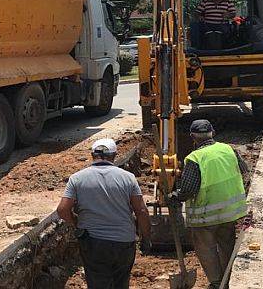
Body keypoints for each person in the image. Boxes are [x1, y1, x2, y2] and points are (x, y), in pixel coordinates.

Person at [57, 138, 151, 289]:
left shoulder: (77, 178)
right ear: (114, 155)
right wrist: (145, 237)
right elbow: (141, 210)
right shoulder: (128, 178)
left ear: (92, 155)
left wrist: (76, 223)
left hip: (93, 242)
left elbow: (62, 210)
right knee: (121, 283)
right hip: (124, 242)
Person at [168, 120, 249, 289]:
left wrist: (174, 196)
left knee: (206, 249)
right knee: (227, 244)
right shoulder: (228, 149)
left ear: (192, 137)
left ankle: (217, 282)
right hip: (230, 212)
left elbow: (188, 190)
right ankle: (228, 279)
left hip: (205, 217)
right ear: (213, 132)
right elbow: (244, 171)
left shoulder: (194, 158)